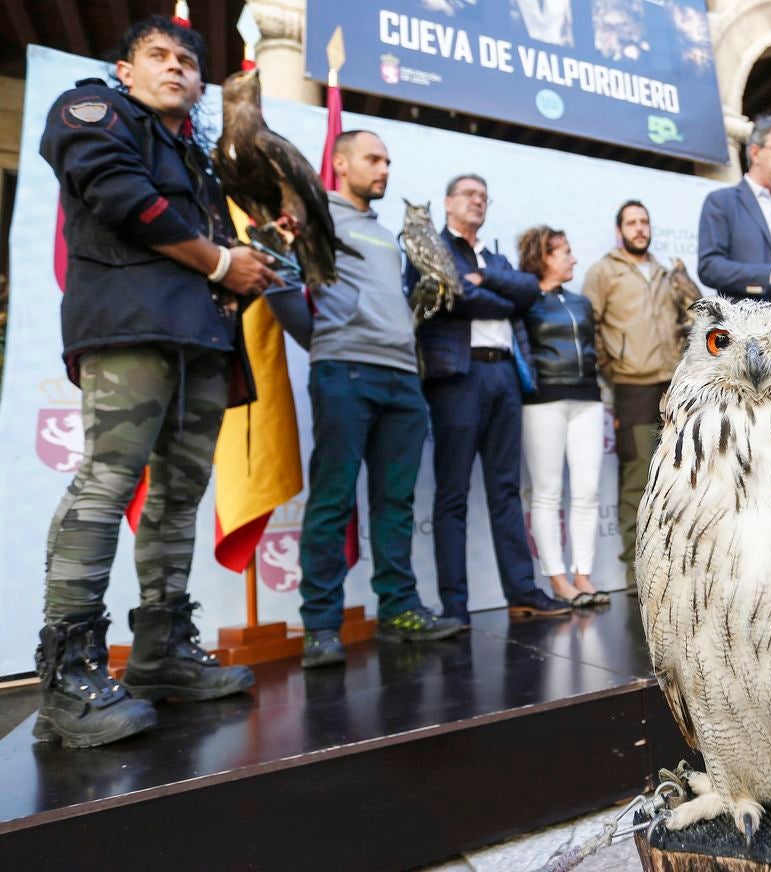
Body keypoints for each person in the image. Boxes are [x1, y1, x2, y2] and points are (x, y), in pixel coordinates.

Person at [35, 16, 281, 747]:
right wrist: (217, 263)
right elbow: (119, 198)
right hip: (130, 330)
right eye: (158, 55)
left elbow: (212, 245)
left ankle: (163, 653)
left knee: (178, 498)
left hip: (202, 342)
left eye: (186, 61)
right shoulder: (93, 110)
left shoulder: (199, 158)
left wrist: (252, 259)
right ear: (124, 69)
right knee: (108, 481)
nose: (175, 67)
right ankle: (68, 679)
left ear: (202, 84)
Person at [297, 131, 463, 668]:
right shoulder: (315, 214)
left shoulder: (385, 235)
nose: (384, 169)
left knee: (395, 503)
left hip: (401, 377)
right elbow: (279, 277)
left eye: (388, 161)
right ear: (340, 163)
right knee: (332, 499)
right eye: (373, 159)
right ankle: (321, 626)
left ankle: (399, 611)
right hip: (344, 370)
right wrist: (326, 337)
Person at [413, 174, 571, 628]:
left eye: (484, 195)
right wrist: (499, 295)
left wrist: (489, 282)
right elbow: (455, 296)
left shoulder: (496, 258)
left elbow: (529, 290)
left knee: (505, 491)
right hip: (457, 377)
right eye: (469, 194)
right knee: (453, 493)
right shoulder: (431, 247)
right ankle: (455, 607)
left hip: (505, 375)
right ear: (447, 202)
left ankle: (523, 592)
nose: (478, 201)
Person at [582, 200, 700, 587]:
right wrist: (613, 367)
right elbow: (589, 325)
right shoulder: (603, 271)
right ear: (619, 231)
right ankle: (639, 574)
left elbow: (694, 319)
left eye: (644, 221)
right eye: (631, 223)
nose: (638, 228)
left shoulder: (669, 273)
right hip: (631, 387)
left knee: (685, 476)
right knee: (637, 479)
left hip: (675, 388)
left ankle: (684, 571)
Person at [517, 226, 609, 607]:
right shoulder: (523, 302)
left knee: (587, 491)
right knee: (547, 491)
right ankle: (557, 580)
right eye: (564, 252)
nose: (573, 259)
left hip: (588, 398)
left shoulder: (582, 303)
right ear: (543, 257)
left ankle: (582, 577)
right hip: (542, 401)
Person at [697, 115, 771, 299]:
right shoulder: (722, 202)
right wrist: (770, 274)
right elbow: (710, 267)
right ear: (755, 153)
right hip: (753, 319)